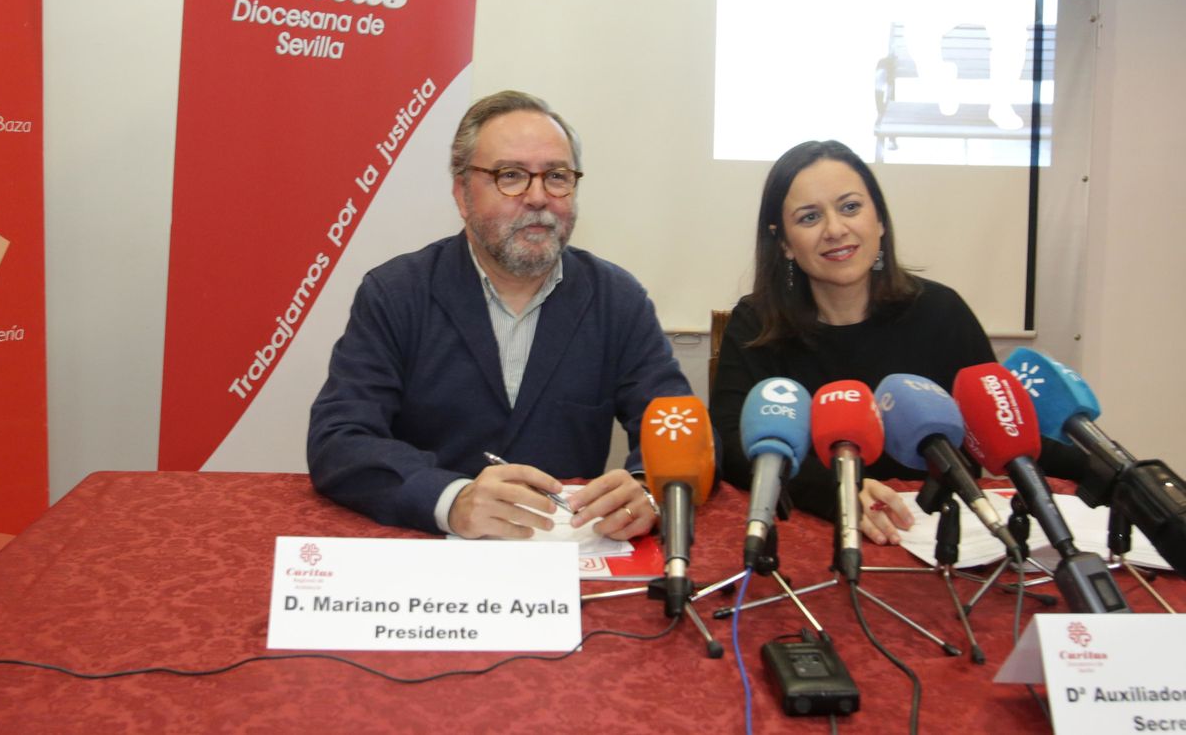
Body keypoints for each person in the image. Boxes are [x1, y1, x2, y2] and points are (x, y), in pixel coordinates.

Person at [307, 90, 693, 540]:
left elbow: (681, 429)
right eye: (510, 176)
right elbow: (340, 439)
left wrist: (649, 491)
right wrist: (450, 499)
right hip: (426, 554)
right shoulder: (397, 292)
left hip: (570, 561)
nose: (537, 197)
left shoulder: (617, 299)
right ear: (461, 193)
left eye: (557, 176)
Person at [711, 140, 1087, 545]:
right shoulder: (756, 324)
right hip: (812, 539)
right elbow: (733, 450)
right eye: (809, 217)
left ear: (880, 221)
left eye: (851, 207)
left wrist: (1108, 471)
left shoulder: (941, 313)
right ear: (783, 241)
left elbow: (1005, 428)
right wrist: (836, 492)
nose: (836, 229)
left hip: (932, 539)